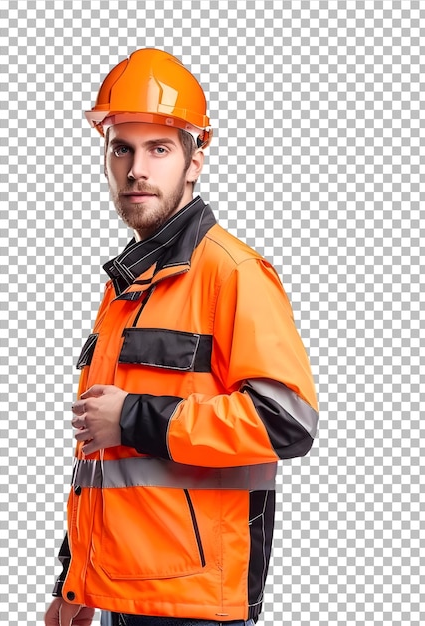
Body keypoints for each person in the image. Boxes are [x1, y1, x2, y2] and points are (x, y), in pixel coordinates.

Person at [45, 48, 318, 626]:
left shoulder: (233, 273)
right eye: (122, 147)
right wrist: (74, 581)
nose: (136, 169)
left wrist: (135, 416)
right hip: (122, 593)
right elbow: (104, 457)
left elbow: (286, 423)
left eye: (159, 149)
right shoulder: (128, 285)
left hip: (195, 604)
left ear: (196, 159)